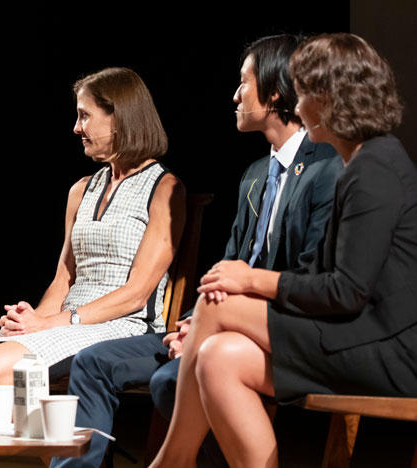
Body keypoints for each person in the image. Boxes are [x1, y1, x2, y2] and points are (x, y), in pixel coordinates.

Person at [51, 34, 342, 468]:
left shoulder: (326, 168)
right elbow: (228, 265)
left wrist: (218, 322)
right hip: (221, 322)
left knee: (179, 378)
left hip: (282, 328)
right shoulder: (255, 174)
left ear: (274, 92)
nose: (235, 95)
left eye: (244, 82)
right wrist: (191, 323)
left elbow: (312, 277)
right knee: (123, 370)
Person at [148, 32, 417, 468]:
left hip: (387, 350)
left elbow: (345, 291)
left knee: (216, 304)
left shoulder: (375, 168)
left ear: (329, 99)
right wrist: (239, 290)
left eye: (304, 93)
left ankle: (172, 461)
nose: (297, 105)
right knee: (217, 357)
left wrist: (250, 279)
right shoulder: (358, 164)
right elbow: (316, 273)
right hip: (356, 334)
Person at [0, 67, 186, 416]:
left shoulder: (164, 188)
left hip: (121, 325)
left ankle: (52, 444)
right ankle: (46, 445)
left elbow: (137, 293)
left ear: (119, 118)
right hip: (66, 322)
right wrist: (32, 319)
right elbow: (64, 278)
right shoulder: (81, 190)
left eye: (85, 116)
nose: (77, 128)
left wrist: (52, 323)